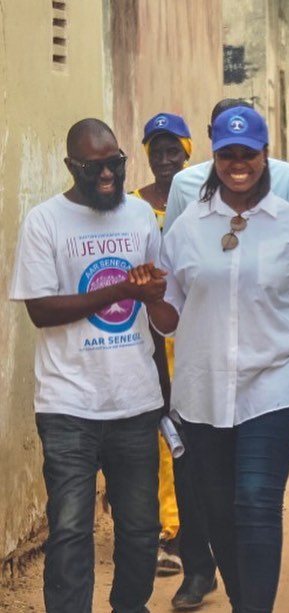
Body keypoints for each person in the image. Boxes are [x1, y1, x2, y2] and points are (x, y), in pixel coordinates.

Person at [132, 106, 289, 612]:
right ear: (214, 158)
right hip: (202, 391)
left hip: (276, 386)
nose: (238, 163)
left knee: (257, 502)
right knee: (218, 511)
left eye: (248, 154)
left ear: (265, 157)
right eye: (228, 154)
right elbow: (169, 318)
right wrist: (152, 297)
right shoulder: (186, 229)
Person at [9, 118, 165, 613]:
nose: (107, 176)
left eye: (115, 164)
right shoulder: (45, 222)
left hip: (135, 401)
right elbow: (40, 309)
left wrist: (153, 293)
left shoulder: (140, 217)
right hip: (68, 403)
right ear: (71, 167)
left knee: (140, 527)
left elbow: (161, 305)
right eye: (95, 167)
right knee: (72, 529)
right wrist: (121, 290)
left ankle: (130, 607)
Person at [132, 111, 191, 579]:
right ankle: (162, 531)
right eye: (158, 151)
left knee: (186, 433)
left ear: (188, 152)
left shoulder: (199, 203)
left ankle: (183, 529)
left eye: (174, 150)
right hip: (144, 336)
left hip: (192, 337)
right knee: (154, 435)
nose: (166, 159)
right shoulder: (132, 206)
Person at [163, 98, 289, 231]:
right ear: (210, 133)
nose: (238, 164)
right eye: (225, 133)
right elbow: (171, 250)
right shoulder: (183, 183)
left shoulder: (286, 176)